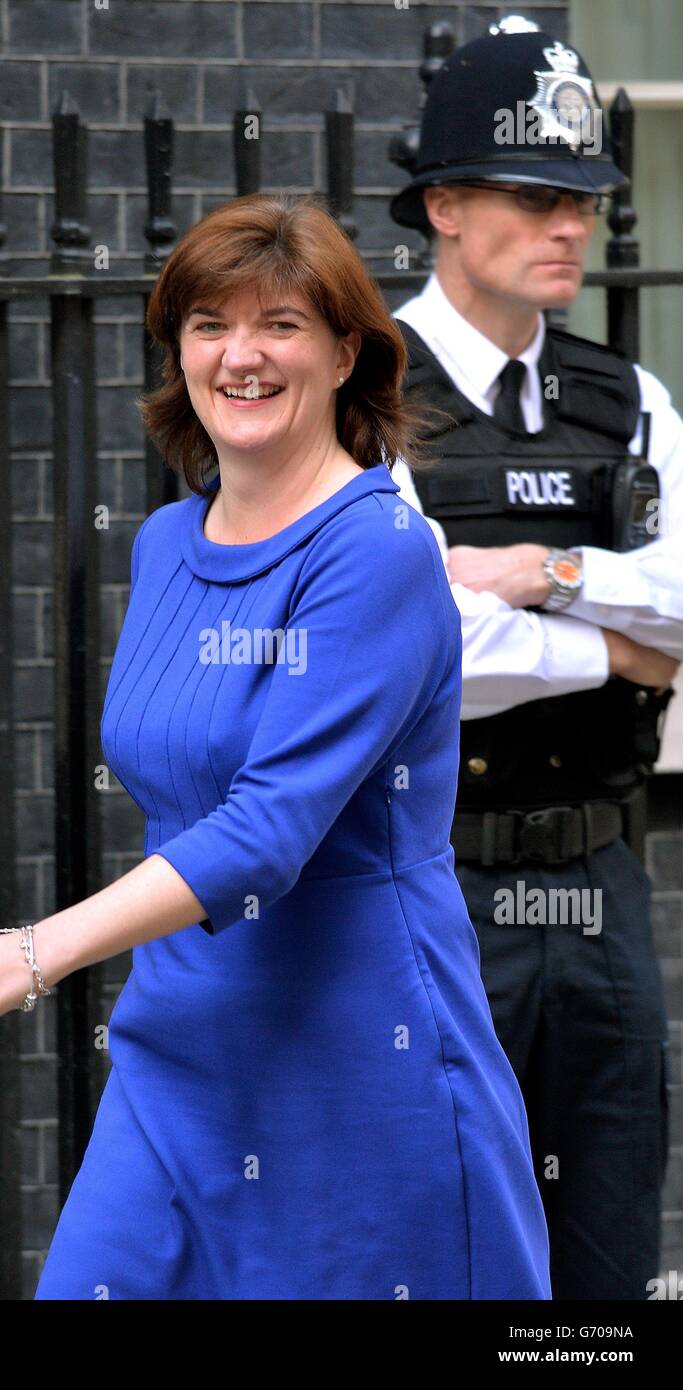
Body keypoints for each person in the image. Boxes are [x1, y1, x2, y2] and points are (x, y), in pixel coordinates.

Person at [0, 192, 551, 1300]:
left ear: (346, 352)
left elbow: (264, 831)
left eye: (280, 324)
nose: (241, 355)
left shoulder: (374, 550)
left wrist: (35, 950)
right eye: (209, 324)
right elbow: (182, 796)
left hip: (354, 1066)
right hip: (181, 1052)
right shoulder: (164, 543)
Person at [389, 16, 683, 1301]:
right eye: (532, 194)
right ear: (444, 206)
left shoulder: (625, 399)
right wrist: (620, 643)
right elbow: (411, 647)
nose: (568, 223)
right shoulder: (360, 390)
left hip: (605, 880)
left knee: (606, 1265)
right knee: (438, 1249)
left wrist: (540, 574)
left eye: (584, 198)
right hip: (424, 884)